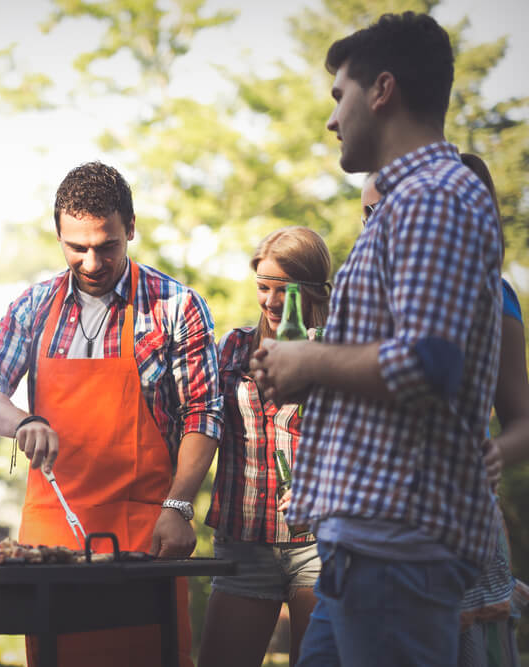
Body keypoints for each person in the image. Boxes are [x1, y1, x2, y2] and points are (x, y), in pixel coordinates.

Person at [250, 12, 503, 666]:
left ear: (382, 90)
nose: (333, 119)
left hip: (397, 544)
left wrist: (308, 356)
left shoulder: (431, 198)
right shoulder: (400, 204)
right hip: (363, 547)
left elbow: (428, 361)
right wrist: (308, 372)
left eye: (340, 96)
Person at [0, 161, 222, 667]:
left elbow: (203, 413)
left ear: (131, 228)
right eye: (76, 247)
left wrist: (180, 506)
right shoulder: (34, 306)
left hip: (145, 529)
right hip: (52, 541)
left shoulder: (175, 306)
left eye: (107, 245)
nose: (93, 261)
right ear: (59, 234)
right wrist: (23, 421)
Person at [198, 226, 330, 667]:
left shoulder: (335, 353)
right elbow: (199, 423)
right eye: (264, 287)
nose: (272, 301)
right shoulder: (233, 348)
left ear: (312, 290)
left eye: (285, 290)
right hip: (244, 539)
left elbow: (364, 437)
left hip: (319, 541)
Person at [456, 152, 528, 666]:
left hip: (464, 526)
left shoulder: (496, 298)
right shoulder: (379, 292)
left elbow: (522, 422)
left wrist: (492, 454)